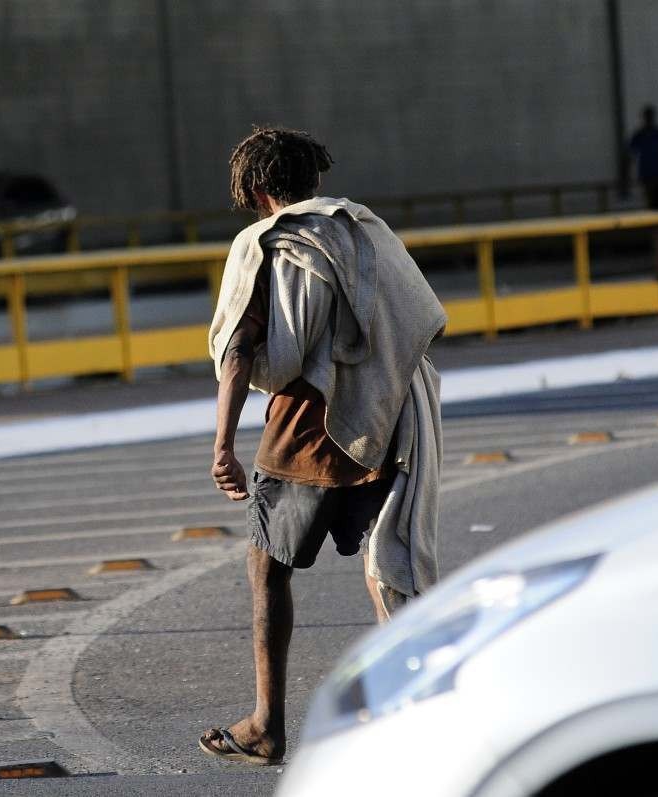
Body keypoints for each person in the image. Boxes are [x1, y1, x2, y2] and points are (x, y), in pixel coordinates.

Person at [199, 127, 447, 765]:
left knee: (267, 567)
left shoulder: (267, 243)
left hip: (312, 425)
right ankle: (425, 713)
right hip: (392, 413)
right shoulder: (365, 230)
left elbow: (240, 349)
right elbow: (413, 317)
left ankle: (265, 724)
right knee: (387, 565)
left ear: (257, 190)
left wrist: (223, 443)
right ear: (314, 181)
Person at [629, 105, 658, 210]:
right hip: (647, 174)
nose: (649, 119)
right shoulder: (639, 135)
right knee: (651, 203)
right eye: (647, 116)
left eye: (650, 116)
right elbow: (631, 156)